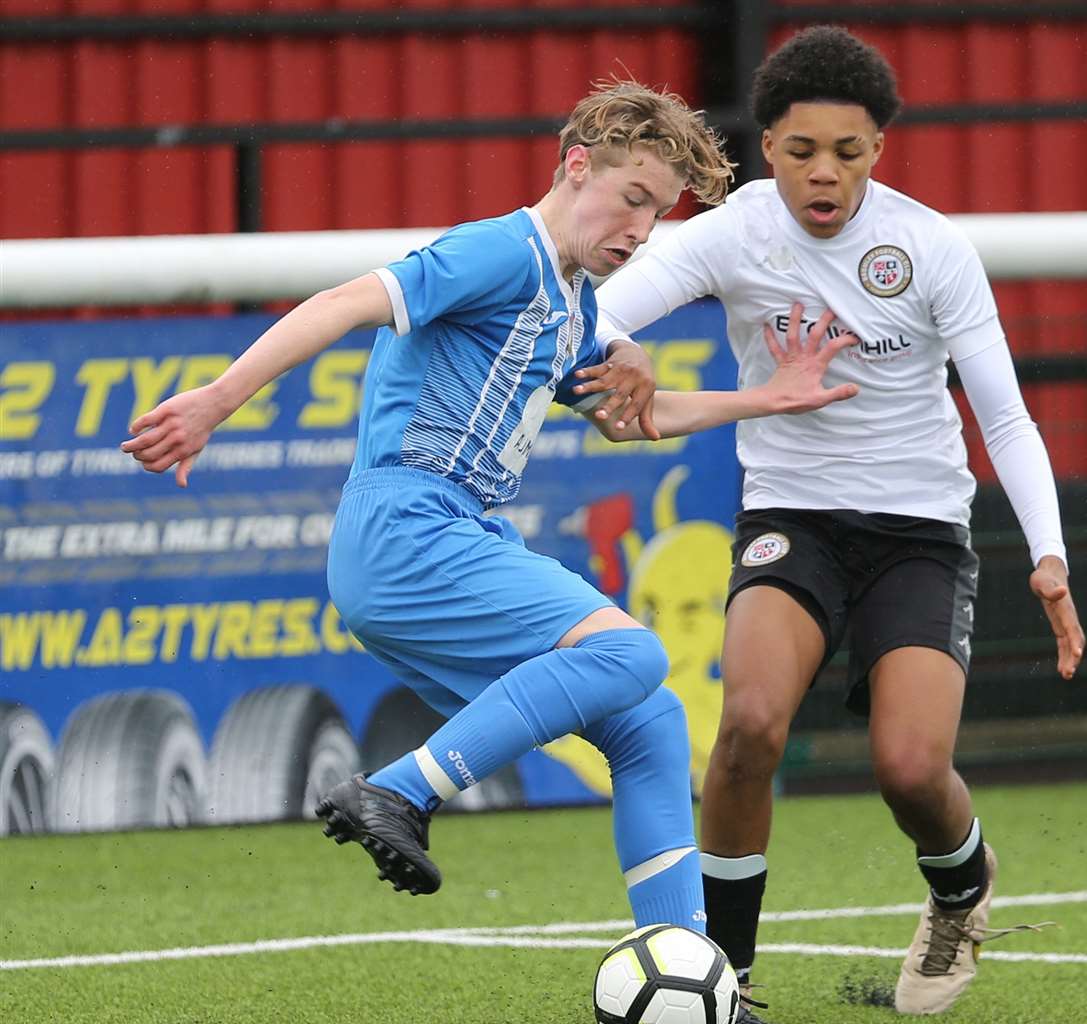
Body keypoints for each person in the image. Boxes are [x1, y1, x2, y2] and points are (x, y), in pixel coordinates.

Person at [119, 81, 857, 953]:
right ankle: (400, 790)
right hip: (408, 527)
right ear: (576, 166)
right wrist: (217, 400)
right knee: (632, 649)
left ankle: (696, 975)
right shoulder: (500, 252)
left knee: (649, 720)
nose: (640, 230)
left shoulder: (573, 301)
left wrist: (765, 397)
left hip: (447, 538)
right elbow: (342, 303)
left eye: (657, 214)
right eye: (632, 199)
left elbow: (638, 418)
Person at [590, 29, 1086, 1024]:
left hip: (918, 534)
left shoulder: (933, 247)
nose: (826, 173)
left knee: (909, 771)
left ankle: (960, 890)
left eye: (849, 153)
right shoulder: (728, 235)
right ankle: (721, 978)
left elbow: (1003, 415)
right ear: (766, 146)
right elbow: (594, 308)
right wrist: (623, 344)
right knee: (747, 730)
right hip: (792, 522)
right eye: (803, 149)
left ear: (879, 152)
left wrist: (1048, 553)